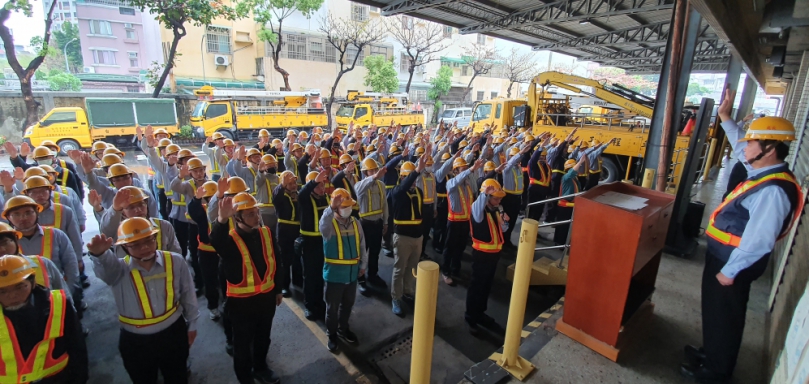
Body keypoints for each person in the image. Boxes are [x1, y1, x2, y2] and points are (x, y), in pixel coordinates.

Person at [681, 91, 804, 383]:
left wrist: (730, 271)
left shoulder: (773, 190)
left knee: (725, 316)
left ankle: (716, 372)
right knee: (715, 312)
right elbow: (740, 149)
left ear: (769, 149)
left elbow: (759, 239)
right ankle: (710, 353)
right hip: (724, 257)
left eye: (751, 142)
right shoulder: (764, 172)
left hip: (733, 264)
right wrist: (725, 117)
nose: (745, 146)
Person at [88, 217, 199, 384]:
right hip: (136, 341)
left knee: (177, 377)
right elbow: (105, 270)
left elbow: (188, 294)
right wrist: (100, 255)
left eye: (149, 240)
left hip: (173, 333)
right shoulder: (118, 270)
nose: (145, 247)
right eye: (135, 245)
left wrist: (193, 324)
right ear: (124, 247)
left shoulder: (175, 261)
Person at [211, 193, 283, 384]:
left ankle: (261, 368)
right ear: (237, 218)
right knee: (242, 346)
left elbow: (277, 261)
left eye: (256, 212)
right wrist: (221, 219)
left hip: (266, 299)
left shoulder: (266, 233)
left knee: (263, 338)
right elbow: (216, 241)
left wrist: (278, 289)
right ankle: (245, 378)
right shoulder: (230, 240)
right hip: (241, 305)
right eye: (250, 214)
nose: (256, 217)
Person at [0, 254, 88, 383]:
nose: (12, 296)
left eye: (19, 287)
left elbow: (77, 347)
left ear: (32, 283)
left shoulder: (58, 304)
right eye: (2, 291)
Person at [320, 188, 366, 352]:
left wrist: (363, 265)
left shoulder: (355, 223)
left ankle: (343, 328)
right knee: (332, 309)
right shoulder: (329, 225)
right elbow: (322, 224)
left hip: (352, 275)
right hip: (334, 276)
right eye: (344, 206)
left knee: (347, 305)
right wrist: (330, 208)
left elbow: (362, 245)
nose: (348, 209)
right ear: (336, 207)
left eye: (349, 206)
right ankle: (332, 334)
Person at [466, 179, 508, 335]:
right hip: (481, 256)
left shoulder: (496, 210)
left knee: (486, 287)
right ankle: (471, 318)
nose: (499, 201)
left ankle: (480, 313)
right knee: (476, 287)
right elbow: (476, 206)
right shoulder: (478, 211)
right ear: (488, 197)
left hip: (493, 256)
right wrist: (484, 194)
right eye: (496, 198)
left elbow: (503, 229)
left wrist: (504, 221)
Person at [436, 152, 483, 286]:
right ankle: (446, 272)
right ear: (456, 171)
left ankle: (455, 269)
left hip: (465, 222)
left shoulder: (467, 185)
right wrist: (471, 169)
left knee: (460, 247)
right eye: (463, 169)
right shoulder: (451, 183)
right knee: (449, 248)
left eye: (466, 168)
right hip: (454, 222)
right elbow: (457, 180)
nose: (466, 171)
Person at [98, 187, 182, 257]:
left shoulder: (164, 226)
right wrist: (115, 209)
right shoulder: (118, 230)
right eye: (131, 207)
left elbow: (176, 254)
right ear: (122, 212)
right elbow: (106, 230)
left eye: (141, 204)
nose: (138, 210)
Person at [390, 158, 427, 317]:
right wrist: (416, 171)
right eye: (409, 177)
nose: (413, 181)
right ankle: (396, 298)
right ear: (402, 177)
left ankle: (407, 291)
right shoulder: (397, 191)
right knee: (399, 268)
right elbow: (402, 188)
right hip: (403, 237)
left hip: (417, 237)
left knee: (412, 268)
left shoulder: (418, 192)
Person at [187, 181, 223, 321]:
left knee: (225, 279)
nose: (212, 200)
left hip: (223, 250)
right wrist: (196, 199)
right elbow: (192, 210)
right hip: (207, 252)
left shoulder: (225, 208)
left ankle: (226, 302)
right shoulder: (201, 210)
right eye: (209, 198)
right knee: (210, 281)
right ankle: (213, 306)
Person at [298, 171, 330, 320]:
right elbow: (302, 194)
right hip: (309, 243)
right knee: (310, 276)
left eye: (323, 185)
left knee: (321, 274)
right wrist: (313, 182)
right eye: (318, 186)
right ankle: (309, 305)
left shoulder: (326, 198)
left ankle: (319, 301)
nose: (322, 188)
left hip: (324, 242)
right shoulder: (305, 199)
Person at [354, 158, 388, 295]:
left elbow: (384, 204)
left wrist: (385, 222)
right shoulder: (360, 185)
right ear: (365, 172)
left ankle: (373, 275)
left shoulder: (381, 185)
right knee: (362, 252)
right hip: (365, 224)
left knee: (375, 251)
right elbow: (358, 190)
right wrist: (374, 177)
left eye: (375, 170)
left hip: (377, 223)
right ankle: (360, 279)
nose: (374, 172)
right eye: (371, 170)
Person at [273, 171, 302, 297]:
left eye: (294, 182)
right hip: (284, 231)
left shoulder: (299, 195)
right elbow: (275, 196)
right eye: (290, 183)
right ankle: (284, 286)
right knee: (285, 260)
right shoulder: (281, 196)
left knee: (297, 258)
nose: (294, 185)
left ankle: (298, 282)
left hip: (297, 229)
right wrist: (281, 186)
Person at [554, 157, 585, 245]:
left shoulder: (575, 179)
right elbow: (572, 172)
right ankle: (559, 243)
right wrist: (580, 162)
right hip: (564, 206)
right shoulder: (566, 177)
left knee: (567, 226)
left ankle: (563, 242)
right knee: (562, 226)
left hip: (570, 206)